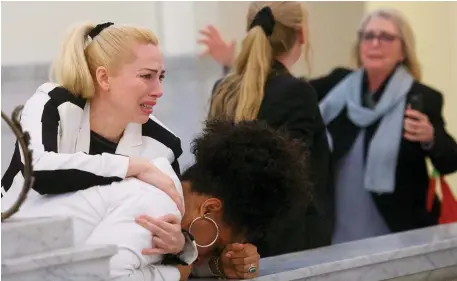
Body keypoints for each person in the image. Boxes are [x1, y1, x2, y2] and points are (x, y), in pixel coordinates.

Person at [14, 119, 311, 281]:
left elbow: (173, 255)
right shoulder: (157, 205)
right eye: (219, 244)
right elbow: (98, 277)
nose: (213, 253)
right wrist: (175, 272)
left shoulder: (168, 197)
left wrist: (230, 268)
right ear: (209, 208)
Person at [1, 21, 185, 212]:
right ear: (104, 78)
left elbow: (175, 215)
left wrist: (177, 239)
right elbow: (37, 170)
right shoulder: (53, 103)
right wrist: (134, 167)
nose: (159, 91)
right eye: (147, 76)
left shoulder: (165, 145)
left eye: (161, 77)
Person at [199, 1, 334, 256]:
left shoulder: (224, 89)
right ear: (302, 34)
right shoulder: (296, 93)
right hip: (290, 251)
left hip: (233, 245)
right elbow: (293, 181)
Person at [311, 8, 457, 243]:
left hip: (398, 233)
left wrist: (431, 138)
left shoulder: (422, 97)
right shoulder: (336, 88)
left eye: (386, 37)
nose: (375, 43)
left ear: (403, 50)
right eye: (368, 36)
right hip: (337, 232)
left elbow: (450, 161)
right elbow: (293, 96)